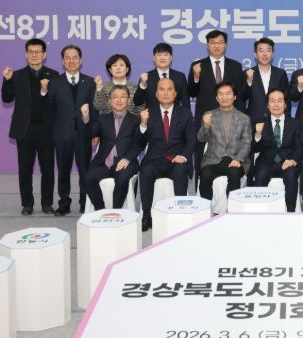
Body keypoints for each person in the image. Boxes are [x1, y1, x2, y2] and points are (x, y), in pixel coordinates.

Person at [1, 38, 59, 215]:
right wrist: (7, 80)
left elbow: (55, 102)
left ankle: (47, 203)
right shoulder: (17, 75)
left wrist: (45, 91)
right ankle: (27, 204)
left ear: (44, 54)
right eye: (31, 52)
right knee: (25, 169)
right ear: (26, 55)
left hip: (46, 130)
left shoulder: (54, 75)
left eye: (38, 52)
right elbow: (7, 98)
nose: (34, 55)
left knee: (48, 169)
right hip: (24, 130)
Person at [41, 45, 95, 216]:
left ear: (81, 60)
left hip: (84, 134)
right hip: (62, 134)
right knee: (63, 171)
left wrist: (95, 132)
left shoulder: (90, 82)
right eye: (68, 58)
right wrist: (43, 91)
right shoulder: (55, 82)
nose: (71, 61)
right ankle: (64, 203)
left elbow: (95, 111)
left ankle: (85, 203)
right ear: (63, 61)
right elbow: (47, 108)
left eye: (75, 57)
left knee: (85, 171)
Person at [138, 78, 196, 231]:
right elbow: (140, 143)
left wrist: (184, 156)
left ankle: (180, 212)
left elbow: (192, 140)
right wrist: (143, 124)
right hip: (155, 160)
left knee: (180, 170)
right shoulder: (148, 113)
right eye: (161, 89)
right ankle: (146, 215)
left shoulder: (185, 113)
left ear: (175, 93)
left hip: (176, 159)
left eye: (169, 89)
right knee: (146, 171)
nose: (165, 93)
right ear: (156, 94)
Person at [188, 31, 244, 182]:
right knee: (202, 154)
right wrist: (196, 76)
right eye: (213, 42)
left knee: (231, 156)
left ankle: (232, 186)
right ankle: (201, 184)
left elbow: (239, 95)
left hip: (230, 118)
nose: (216, 46)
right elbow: (191, 92)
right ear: (207, 46)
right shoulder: (197, 66)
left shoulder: (235, 66)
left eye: (220, 42)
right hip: (206, 118)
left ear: (225, 45)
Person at [81, 85, 142, 210]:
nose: (119, 100)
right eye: (115, 97)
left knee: (122, 179)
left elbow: (139, 143)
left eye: (123, 97)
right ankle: (101, 210)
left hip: (125, 162)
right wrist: (86, 118)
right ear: (109, 101)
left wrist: (127, 159)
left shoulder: (136, 120)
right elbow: (89, 134)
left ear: (128, 100)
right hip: (104, 163)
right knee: (88, 178)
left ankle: (116, 211)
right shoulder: (102, 119)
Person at [197, 82, 252, 202]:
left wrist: (238, 159)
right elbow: (201, 139)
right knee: (205, 176)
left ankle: (232, 208)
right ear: (217, 98)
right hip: (213, 159)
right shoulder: (209, 115)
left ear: (234, 97)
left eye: (228, 94)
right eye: (221, 94)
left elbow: (246, 143)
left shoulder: (244, 118)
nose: (224, 97)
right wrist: (206, 126)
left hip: (234, 159)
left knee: (234, 174)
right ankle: (206, 208)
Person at [251, 89, 303, 212]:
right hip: (266, 162)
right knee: (260, 174)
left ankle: (290, 212)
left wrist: (293, 160)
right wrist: (258, 134)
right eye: (272, 101)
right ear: (267, 105)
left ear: (285, 104)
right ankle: (259, 212)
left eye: (279, 101)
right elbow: (254, 148)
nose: (276, 104)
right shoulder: (260, 123)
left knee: (291, 175)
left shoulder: (294, 123)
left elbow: (299, 147)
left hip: (287, 161)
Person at [240, 37, 290, 124]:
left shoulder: (281, 74)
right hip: (253, 121)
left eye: (268, 50)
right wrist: (249, 81)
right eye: (261, 51)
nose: (264, 54)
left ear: (272, 54)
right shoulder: (247, 73)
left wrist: (286, 120)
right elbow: (242, 97)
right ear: (255, 54)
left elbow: (287, 99)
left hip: (276, 121)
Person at [133, 43, 190, 111]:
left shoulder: (180, 77)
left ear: (171, 58)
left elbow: (186, 103)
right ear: (154, 58)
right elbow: (137, 102)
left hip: (175, 117)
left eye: (166, 54)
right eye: (159, 55)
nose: (162, 58)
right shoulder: (146, 77)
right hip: (152, 116)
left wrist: (187, 117)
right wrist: (142, 85)